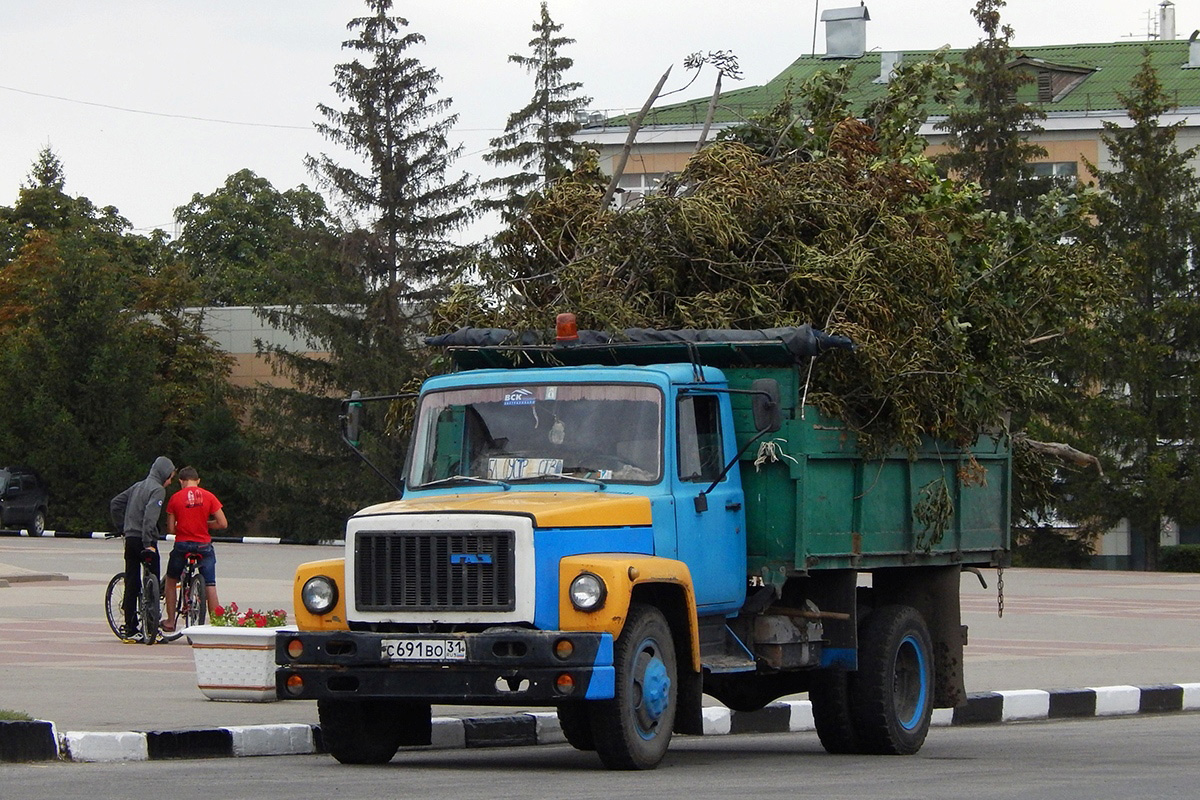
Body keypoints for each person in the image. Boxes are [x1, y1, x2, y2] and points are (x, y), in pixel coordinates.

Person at [109, 456, 176, 642]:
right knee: (152, 580)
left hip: (130, 539)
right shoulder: (157, 490)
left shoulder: (138, 486)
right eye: (170, 477)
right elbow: (149, 518)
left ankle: (130, 629)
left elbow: (115, 504)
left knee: (132, 580)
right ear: (163, 474)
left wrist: (122, 527)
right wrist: (148, 543)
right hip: (145, 540)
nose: (170, 481)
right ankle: (151, 626)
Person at [162, 465, 226, 632]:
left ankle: (170, 621)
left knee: (171, 580)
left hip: (182, 545)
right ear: (198, 481)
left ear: (181, 481)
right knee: (210, 584)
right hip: (203, 545)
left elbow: (170, 529)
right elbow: (222, 523)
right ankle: (217, 624)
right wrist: (206, 524)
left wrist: (183, 526)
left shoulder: (175, 498)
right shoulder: (209, 497)